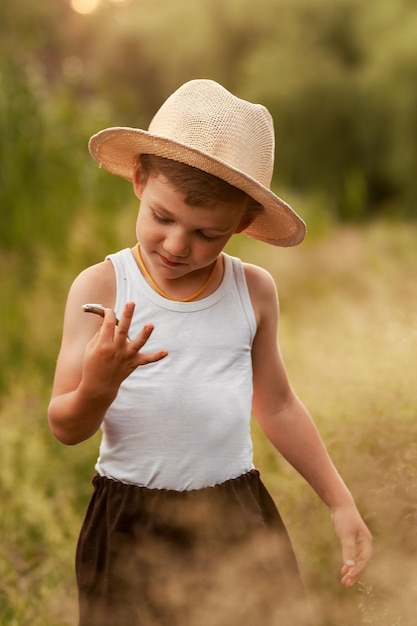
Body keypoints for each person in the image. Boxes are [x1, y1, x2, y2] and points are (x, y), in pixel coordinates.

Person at [48, 79, 372, 626]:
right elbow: (65, 425)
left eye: (208, 234)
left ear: (243, 224)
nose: (178, 246)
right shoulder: (102, 288)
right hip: (131, 523)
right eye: (163, 217)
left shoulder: (254, 291)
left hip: (234, 517)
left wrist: (341, 503)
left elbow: (279, 405)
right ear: (139, 179)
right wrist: (99, 386)